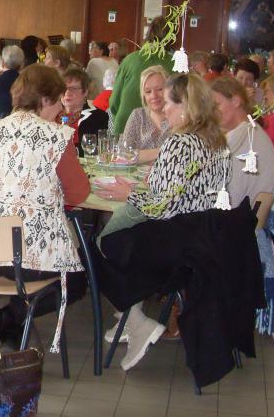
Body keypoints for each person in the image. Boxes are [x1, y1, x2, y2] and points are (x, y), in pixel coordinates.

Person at [94, 74, 230, 370]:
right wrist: (154, 179)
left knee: (103, 244)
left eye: (169, 102)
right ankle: (133, 317)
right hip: (205, 237)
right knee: (120, 241)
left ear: (187, 107)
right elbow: (189, 188)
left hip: (175, 240)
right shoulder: (217, 140)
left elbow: (158, 207)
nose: (165, 109)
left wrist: (127, 192)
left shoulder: (178, 142)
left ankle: (136, 319)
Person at [0, 65, 90, 352]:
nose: (61, 107)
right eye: (59, 99)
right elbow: (79, 194)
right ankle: (7, 319)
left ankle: (6, 325)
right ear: (46, 100)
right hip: (28, 257)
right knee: (76, 282)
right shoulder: (56, 136)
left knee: (23, 275)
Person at [211, 76, 274, 225]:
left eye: (216, 105)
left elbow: (228, 198)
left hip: (236, 225)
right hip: (243, 219)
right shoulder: (248, 131)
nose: (212, 112)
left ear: (236, 101)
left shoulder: (245, 140)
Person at [109, 16, 173, 134]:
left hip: (124, 124)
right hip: (162, 129)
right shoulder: (176, 64)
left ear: (148, 34)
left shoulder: (130, 59)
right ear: (172, 38)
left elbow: (114, 102)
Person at [121, 65, 170, 163]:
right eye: (148, 91)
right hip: (136, 177)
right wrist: (163, 151)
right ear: (143, 95)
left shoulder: (179, 116)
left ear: (169, 90)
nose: (154, 96)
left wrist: (140, 155)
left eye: (159, 89)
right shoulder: (138, 115)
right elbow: (124, 153)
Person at [60, 68, 109, 155]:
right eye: (64, 88)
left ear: (85, 92)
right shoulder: (52, 114)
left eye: (74, 88)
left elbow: (95, 151)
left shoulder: (99, 117)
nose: (67, 92)